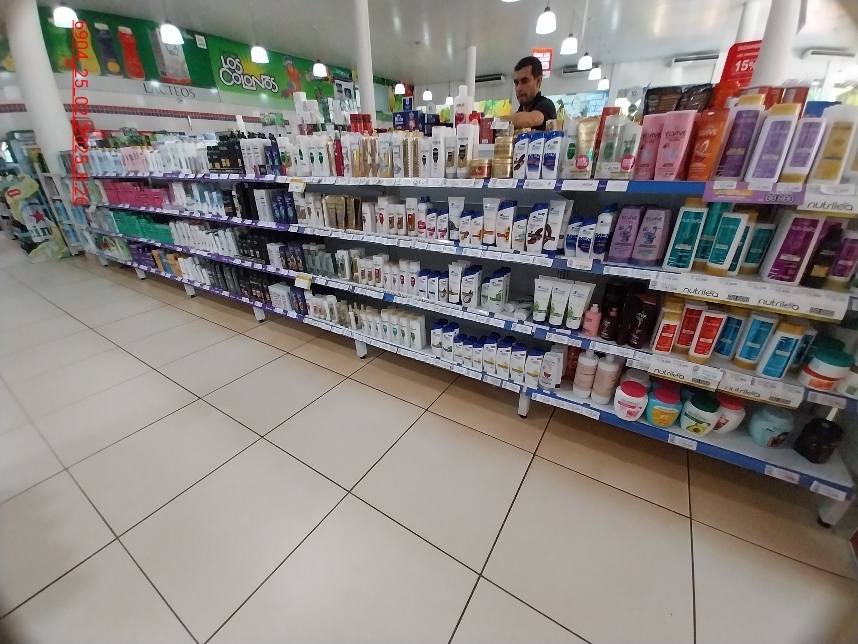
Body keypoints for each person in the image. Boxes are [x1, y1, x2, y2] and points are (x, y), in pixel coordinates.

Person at [509, 56, 556, 131]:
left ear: (538, 81)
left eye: (524, 81)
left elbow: (531, 120)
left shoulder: (546, 105)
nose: (518, 88)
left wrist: (493, 122)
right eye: (516, 83)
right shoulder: (518, 114)